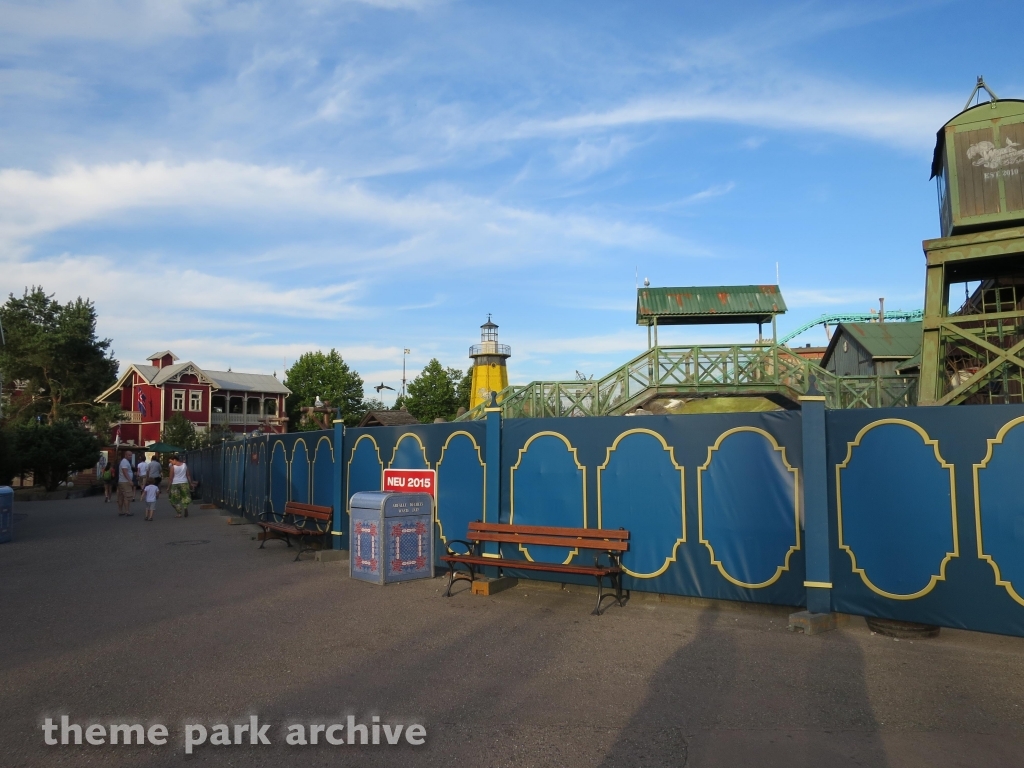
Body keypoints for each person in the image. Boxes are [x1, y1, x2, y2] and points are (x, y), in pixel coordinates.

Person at [167, 454, 196, 518]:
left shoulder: (173, 467)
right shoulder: (184, 465)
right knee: (185, 496)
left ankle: (179, 512)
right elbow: (188, 475)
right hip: (184, 483)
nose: (171, 463)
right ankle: (185, 507)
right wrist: (190, 483)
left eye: (171, 461)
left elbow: (170, 478)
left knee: (174, 499)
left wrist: (168, 487)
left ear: (174, 460)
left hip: (175, 484)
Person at [117, 450, 134, 516]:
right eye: (129, 455)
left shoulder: (124, 462)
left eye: (131, 455)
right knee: (127, 496)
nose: (130, 456)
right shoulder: (124, 462)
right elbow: (125, 471)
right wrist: (130, 480)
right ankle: (127, 511)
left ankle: (120, 511)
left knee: (121, 496)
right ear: (125, 455)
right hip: (125, 482)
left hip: (121, 481)